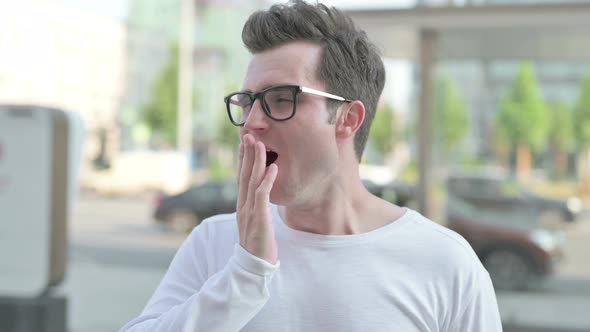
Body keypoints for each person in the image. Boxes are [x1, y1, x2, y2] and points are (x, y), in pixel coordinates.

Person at [120, 1, 503, 331]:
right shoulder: (215, 243)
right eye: (247, 101)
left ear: (348, 119)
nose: (253, 121)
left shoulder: (445, 263)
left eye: (281, 99)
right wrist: (245, 274)